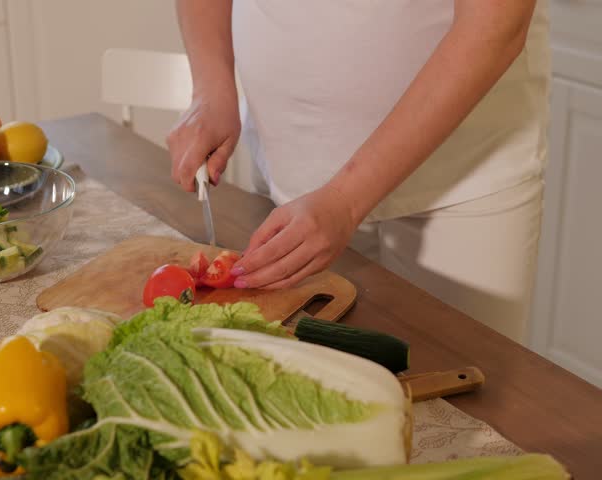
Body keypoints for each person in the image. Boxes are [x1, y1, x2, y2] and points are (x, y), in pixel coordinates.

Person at [166, 1, 550, 343]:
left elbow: (494, 25)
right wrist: (211, 87)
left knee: (462, 398)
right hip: (291, 170)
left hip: (461, 186)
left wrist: (346, 202)